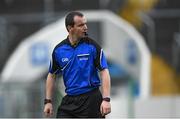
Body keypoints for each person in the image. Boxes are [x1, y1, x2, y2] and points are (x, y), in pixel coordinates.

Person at [44, 11, 111, 118]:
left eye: (85, 23)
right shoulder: (58, 50)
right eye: (81, 25)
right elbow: (51, 75)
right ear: (70, 28)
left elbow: (104, 71)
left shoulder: (93, 46)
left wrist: (106, 99)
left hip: (91, 100)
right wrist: (48, 101)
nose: (85, 27)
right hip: (70, 101)